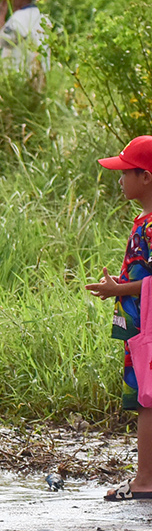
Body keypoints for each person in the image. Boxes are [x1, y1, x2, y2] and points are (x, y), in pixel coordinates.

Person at [86, 135, 152, 502]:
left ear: (146, 177)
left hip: (147, 329)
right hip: (140, 326)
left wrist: (119, 290)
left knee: (146, 399)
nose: (121, 180)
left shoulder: (151, 226)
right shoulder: (143, 221)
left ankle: (144, 481)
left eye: (126, 172)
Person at [0, 0, 50, 80]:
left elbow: (3, 42)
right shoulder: (42, 18)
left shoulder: (18, 18)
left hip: (20, 75)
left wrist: (2, 15)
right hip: (39, 75)